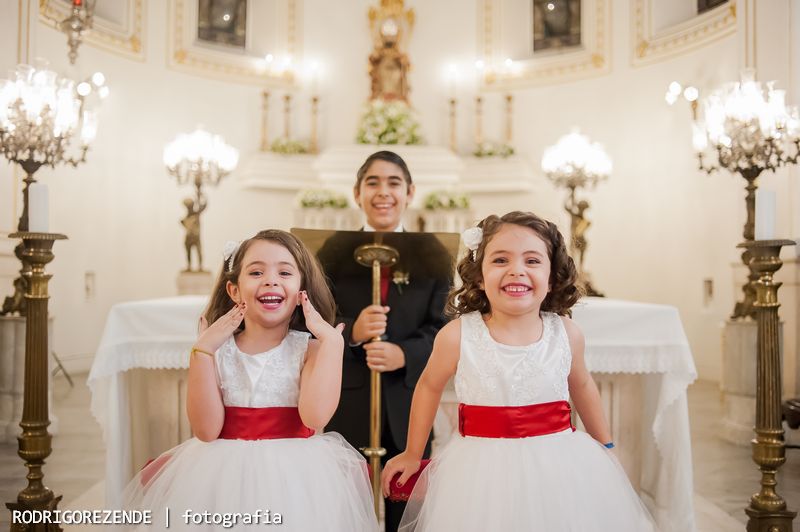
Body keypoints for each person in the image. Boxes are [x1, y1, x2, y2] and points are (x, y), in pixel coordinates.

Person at [382, 211, 655, 531]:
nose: (517, 271)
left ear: (552, 277)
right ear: (480, 276)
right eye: (500, 260)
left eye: (532, 261)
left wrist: (606, 446)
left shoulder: (566, 333)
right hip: (479, 468)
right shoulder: (457, 335)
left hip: (558, 461)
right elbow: (428, 386)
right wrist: (413, 453)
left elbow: (581, 385)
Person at [122, 230, 378, 532]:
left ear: (301, 291)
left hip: (294, 479)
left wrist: (333, 344)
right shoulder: (215, 350)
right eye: (256, 272)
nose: (270, 280)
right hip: (219, 475)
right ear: (233, 290)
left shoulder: (311, 349)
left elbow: (315, 416)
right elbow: (206, 430)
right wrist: (202, 351)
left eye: (284, 272)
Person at [318, 151, 452, 532]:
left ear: (410, 192)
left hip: (408, 401)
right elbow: (313, 316)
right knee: (344, 504)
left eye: (393, 183)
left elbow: (444, 327)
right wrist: (353, 331)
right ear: (357, 193)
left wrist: (404, 353)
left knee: (404, 507)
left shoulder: (433, 254)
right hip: (347, 397)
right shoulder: (333, 251)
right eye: (372, 182)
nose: (383, 192)